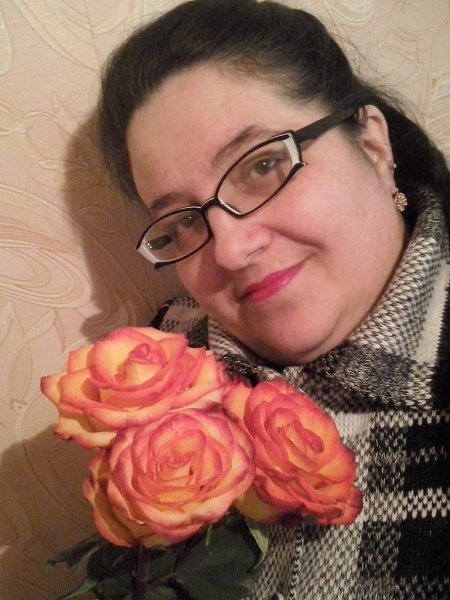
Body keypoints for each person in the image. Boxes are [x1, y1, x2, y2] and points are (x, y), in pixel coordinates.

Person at [97, 1, 450, 598]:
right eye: (183, 222)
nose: (231, 250)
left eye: (262, 165)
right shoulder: (166, 360)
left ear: (372, 144)